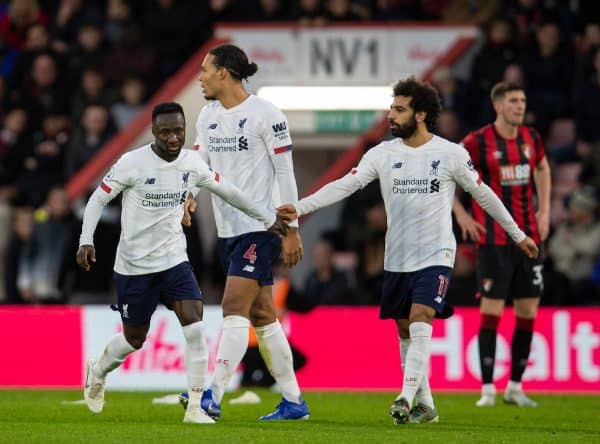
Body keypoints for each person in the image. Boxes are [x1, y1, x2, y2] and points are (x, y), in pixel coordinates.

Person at [277, 77, 538, 425]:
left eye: (399, 109)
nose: (391, 115)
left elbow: (484, 194)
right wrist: (301, 206)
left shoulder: (450, 154)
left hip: (437, 255)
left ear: (421, 114)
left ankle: (405, 394)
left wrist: (517, 234)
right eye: (392, 107)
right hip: (397, 258)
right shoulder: (383, 154)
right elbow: (345, 185)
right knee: (406, 331)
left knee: (421, 317)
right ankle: (426, 406)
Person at [76, 102, 287, 424]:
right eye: (165, 132)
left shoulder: (192, 162)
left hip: (175, 261)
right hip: (134, 267)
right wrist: (86, 240)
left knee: (195, 327)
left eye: (178, 130)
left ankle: (195, 409)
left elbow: (229, 191)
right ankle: (99, 368)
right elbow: (97, 199)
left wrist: (267, 217)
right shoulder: (132, 163)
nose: (173, 138)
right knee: (134, 338)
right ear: (154, 132)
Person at [179, 44, 309, 421]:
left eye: (205, 70)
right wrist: (189, 195)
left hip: (262, 226)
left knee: (234, 307)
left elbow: (285, 173)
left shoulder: (266, 115)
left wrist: (292, 228)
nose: (200, 76)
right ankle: (293, 401)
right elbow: (200, 162)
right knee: (264, 315)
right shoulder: (208, 115)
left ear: (224, 73)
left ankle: (210, 395)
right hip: (227, 230)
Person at [452, 81, 551, 407]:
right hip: (494, 241)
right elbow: (448, 173)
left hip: (529, 240)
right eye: (513, 101)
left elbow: (542, 166)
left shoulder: (530, 138)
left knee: (527, 310)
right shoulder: (478, 142)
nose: (519, 106)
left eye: (522, 99)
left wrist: (545, 209)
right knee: (491, 310)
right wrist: (462, 214)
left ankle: (515, 386)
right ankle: (487, 389)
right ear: (498, 106)